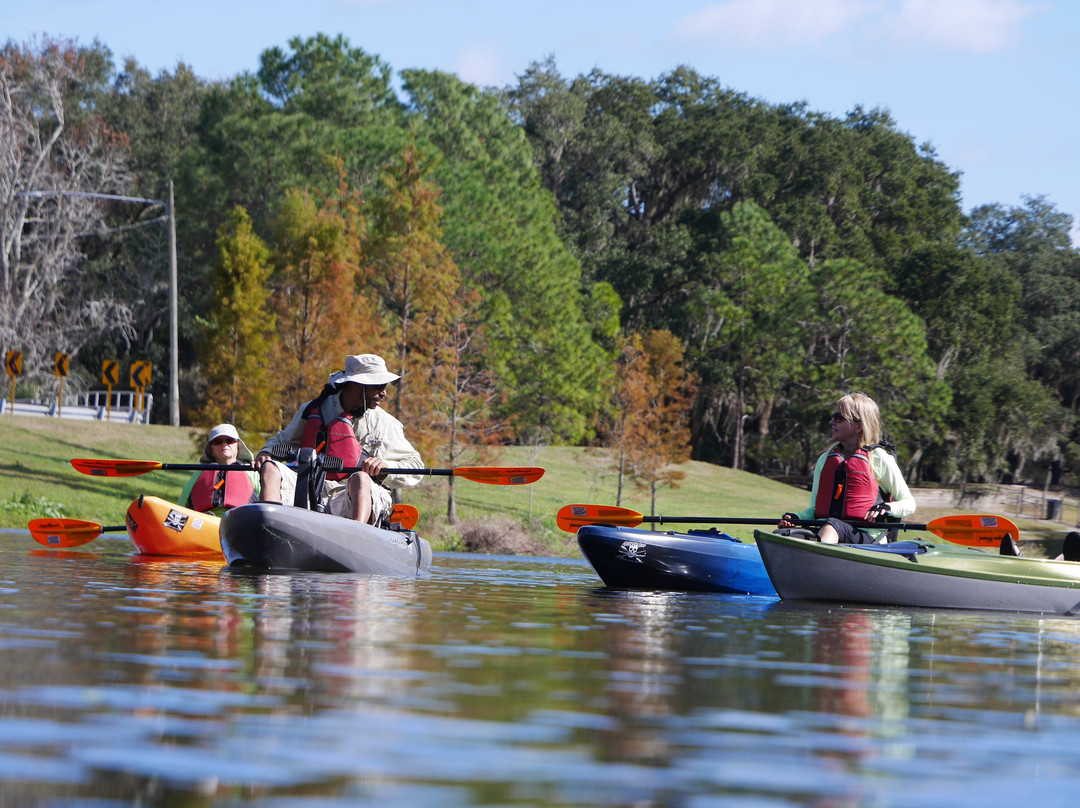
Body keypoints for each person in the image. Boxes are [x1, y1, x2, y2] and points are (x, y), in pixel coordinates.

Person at [254, 353, 423, 525]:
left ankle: (357, 531)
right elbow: (282, 440)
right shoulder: (312, 410)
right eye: (378, 385)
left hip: (354, 495)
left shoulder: (386, 424)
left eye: (384, 386)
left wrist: (386, 467)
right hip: (310, 489)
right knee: (270, 468)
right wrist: (265, 453)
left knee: (361, 479)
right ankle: (269, 526)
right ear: (357, 384)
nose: (384, 393)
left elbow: (415, 465)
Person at [778, 392, 916, 544]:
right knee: (782, 535)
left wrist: (888, 508)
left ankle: (820, 555)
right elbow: (814, 510)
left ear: (859, 426)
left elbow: (909, 503)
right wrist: (797, 517)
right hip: (826, 531)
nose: (831, 422)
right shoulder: (825, 459)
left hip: (867, 537)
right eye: (833, 417)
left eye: (839, 418)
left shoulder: (879, 458)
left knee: (832, 527)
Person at [178, 423, 259, 515]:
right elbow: (182, 502)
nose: (224, 444)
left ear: (238, 447)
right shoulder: (200, 472)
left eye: (229, 441)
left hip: (241, 520)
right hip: (204, 520)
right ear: (211, 450)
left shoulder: (251, 471)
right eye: (218, 441)